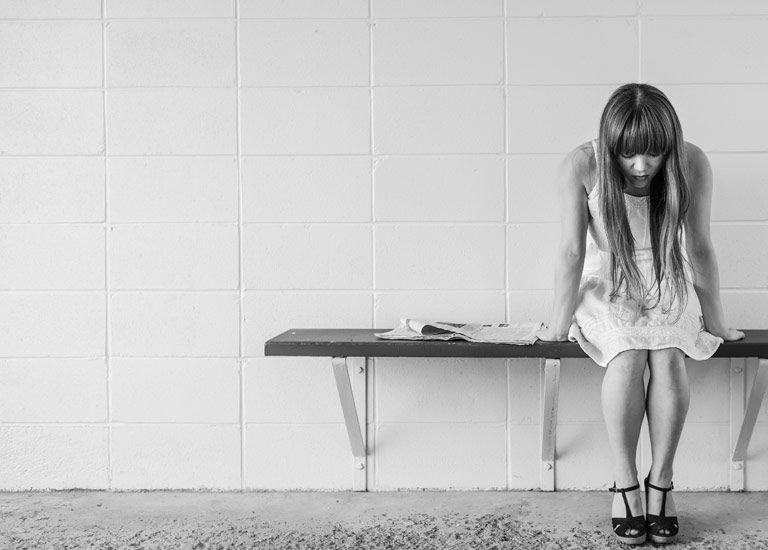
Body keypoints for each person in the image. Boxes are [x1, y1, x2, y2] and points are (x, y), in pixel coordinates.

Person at [536, 83, 744, 545]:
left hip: (668, 276)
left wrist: (717, 322)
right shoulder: (581, 165)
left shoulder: (691, 162)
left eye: (653, 154)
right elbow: (571, 252)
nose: (641, 166)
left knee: (668, 353)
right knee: (627, 355)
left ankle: (662, 483)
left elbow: (701, 247)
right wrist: (557, 321)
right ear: (610, 145)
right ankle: (625, 482)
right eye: (629, 155)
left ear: (669, 144)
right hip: (607, 282)